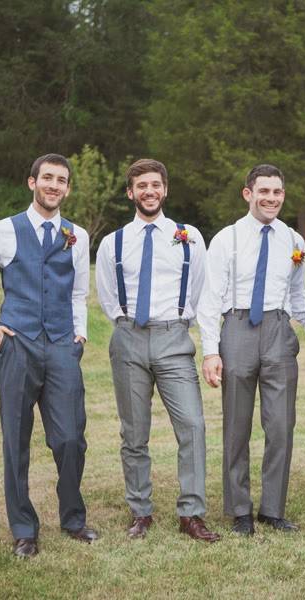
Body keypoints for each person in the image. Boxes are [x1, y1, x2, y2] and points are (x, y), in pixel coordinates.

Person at [0, 153, 98, 558]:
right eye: (48, 178)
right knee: (16, 440)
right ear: (32, 182)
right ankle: (24, 529)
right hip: (17, 345)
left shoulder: (77, 235)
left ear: (67, 188)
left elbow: (78, 293)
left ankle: (73, 518)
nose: (54, 185)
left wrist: (79, 336)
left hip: (62, 346)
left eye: (62, 180)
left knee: (71, 438)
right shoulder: (3, 231)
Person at [95, 159, 221, 543]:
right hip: (128, 338)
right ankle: (141, 512)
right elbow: (107, 296)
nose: (149, 191)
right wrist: (129, 325)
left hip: (174, 338)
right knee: (134, 433)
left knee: (193, 426)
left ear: (165, 190)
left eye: (155, 185)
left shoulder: (189, 237)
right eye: (141, 186)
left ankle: (191, 514)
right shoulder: (113, 242)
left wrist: (194, 335)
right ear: (130, 193)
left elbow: (202, 291)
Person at [198, 164, 305, 536]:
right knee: (237, 424)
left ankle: (272, 509)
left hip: (278, 330)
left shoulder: (293, 240)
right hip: (237, 328)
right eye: (264, 191)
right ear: (248, 194)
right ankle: (240, 510)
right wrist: (211, 351)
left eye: (277, 192)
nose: (271, 198)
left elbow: (299, 296)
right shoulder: (226, 238)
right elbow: (210, 299)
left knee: (281, 425)